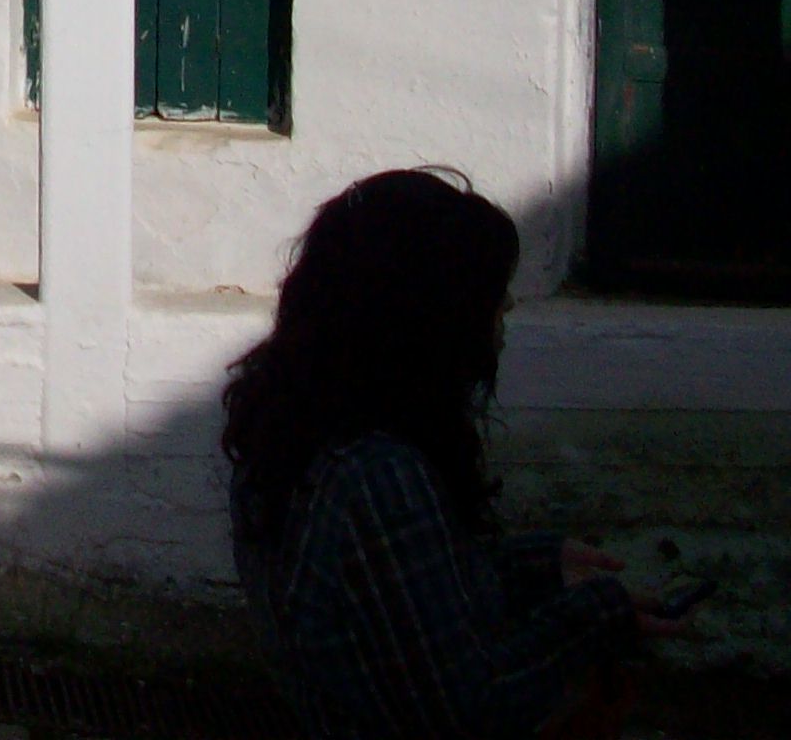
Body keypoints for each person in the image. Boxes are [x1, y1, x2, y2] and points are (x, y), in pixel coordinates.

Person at [225, 169, 674, 739]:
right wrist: (596, 618)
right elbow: (465, 709)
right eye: (487, 297)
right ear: (431, 318)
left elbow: (400, 603)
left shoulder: (297, 435)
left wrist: (538, 567)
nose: (505, 308)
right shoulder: (377, 478)